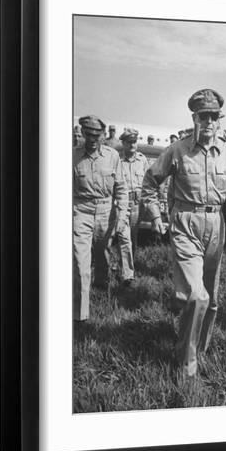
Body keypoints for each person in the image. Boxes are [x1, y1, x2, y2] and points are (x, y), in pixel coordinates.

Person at [141, 88, 226, 380]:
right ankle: (186, 365)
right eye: (203, 116)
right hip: (185, 223)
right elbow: (150, 182)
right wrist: (157, 215)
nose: (208, 122)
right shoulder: (178, 150)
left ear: (219, 121)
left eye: (214, 117)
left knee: (212, 298)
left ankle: (199, 348)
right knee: (197, 296)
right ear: (194, 118)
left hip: (216, 225)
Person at [73, 115, 128, 321]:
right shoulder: (72, 155)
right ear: (82, 133)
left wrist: (122, 215)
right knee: (80, 261)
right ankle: (80, 316)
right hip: (81, 210)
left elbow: (121, 188)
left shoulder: (112, 156)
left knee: (102, 253)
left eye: (97, 135)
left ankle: (102, 287)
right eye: (88, 134)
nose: (93, 139)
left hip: (106, 211)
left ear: (103, 135)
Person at [116, 128, 149, 285]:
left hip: (137, 204)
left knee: (133, 238)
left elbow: (148, 181)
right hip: (121, 204)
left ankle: (127, 265)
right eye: (129, 142)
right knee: (125, 238)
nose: (132, 145)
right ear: (123, 143)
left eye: (134, 142)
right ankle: (128, 276)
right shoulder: (117, 160)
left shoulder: (142, 160)